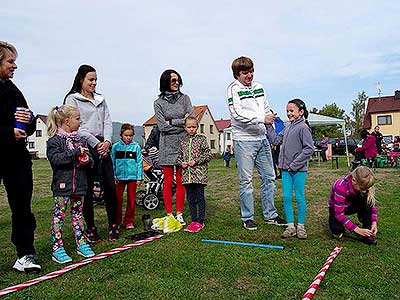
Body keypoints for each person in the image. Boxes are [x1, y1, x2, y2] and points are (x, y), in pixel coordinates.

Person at [227, 56, 286, 230]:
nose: (250, 75)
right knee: (246, 181)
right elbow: (236, 114)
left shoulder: (259, 87)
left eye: (251, 71)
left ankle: (270, 215)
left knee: (269, 177)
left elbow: (266, 108)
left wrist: (271, 120)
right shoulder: (233, 90)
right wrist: (262, 119)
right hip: (244, 141)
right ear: (237, 74)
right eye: (245, 72)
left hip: (262, 139)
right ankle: (248, 217)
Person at [64, 64, 119, 242]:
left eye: (96, 80)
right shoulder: (72, 99)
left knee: (110, 186)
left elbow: (108, 121)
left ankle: (113, 225)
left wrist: (108, 142)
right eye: (91, 79)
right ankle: (91, 228)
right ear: (81, 79)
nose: (94, 83)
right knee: (86, 189)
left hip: (104, 145)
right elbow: (76, 126)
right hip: (86, 146)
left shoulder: (101, 99)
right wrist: (96, 144)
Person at [0, 41, 41, 273]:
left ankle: (25, 254)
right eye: (10, 61)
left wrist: (30, 120)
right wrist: (7, 132)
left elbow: (28, 121)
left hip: (17, 158)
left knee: (22, 207)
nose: (15, 66)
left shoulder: (14, 90)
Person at [46, 105, 95, 263]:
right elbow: (56, 160)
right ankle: (57, 248)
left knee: (77, 215)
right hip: (62, 187)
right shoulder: (55, 141)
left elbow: (90, 160)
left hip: (79, 186)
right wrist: (75, 153)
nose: (80, 122)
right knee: (58, 217)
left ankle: (81, 243)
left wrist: (87, 160)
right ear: (67, 121)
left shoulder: (80, 140)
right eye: (78, 118)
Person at [267, 99, 314, 239]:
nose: (288, 113)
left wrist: (294, 165)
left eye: (291, 110)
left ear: (301, 112)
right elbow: (275, 140)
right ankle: (290, 226)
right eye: (287, 110)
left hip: (298, 170)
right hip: (285, 170)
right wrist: (268, 125)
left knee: (299, 197)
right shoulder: (287, 127)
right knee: (287, 197)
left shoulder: (304, 128)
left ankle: (301, 227)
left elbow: (309, 149)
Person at [154, 69, 194, 225]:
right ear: (165, 82)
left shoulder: (185, 99)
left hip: (183, 145)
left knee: (181, 181)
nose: (176, 83)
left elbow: (190, 121)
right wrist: (179, 122)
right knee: (168, 181)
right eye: (173, 80)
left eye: (178, 80)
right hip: (166, 146)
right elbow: (162, 127)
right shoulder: (158, 103)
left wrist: (171, 121)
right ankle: (169, 213)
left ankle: (179, 213)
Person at [176, 116, 213, 232]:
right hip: (187, 176)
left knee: (200, 198)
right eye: (189, 127)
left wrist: (196, 161)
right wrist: (181, 163)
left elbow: (208, 155)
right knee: (190, 199)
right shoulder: (183, 141)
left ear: (197, 127)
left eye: (194, 127)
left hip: (199, 175)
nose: (191, 129)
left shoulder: (201, 139)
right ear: (185, 128)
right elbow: (178, 157)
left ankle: (200, 222)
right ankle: (193, 221)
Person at [328, 166, 378, 245]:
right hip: (336, 208)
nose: (364, 191)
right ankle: (339, 227)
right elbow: (339, 214)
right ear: (354, 180)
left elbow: (372, 204)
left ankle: (367, 232)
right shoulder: (340, 186)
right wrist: (357, 229)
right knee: (337, 231)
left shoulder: (364, 185)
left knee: (367, 202)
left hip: (352, 205)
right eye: (362, 188)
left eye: (366, 188)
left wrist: (374, 222)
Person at [111, 123, 143, 230]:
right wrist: (114, 175)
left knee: (131, 200)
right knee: (117, 200)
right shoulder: (115, 147)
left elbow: (139, 163)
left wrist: (139, 177)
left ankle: (129, 221)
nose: (128, 138)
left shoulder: (136, 147)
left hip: (132, 178)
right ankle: (117, 221)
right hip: (119, 178)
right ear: (121, 135)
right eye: (126, 135)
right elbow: (112, 163)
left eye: (130, 135)